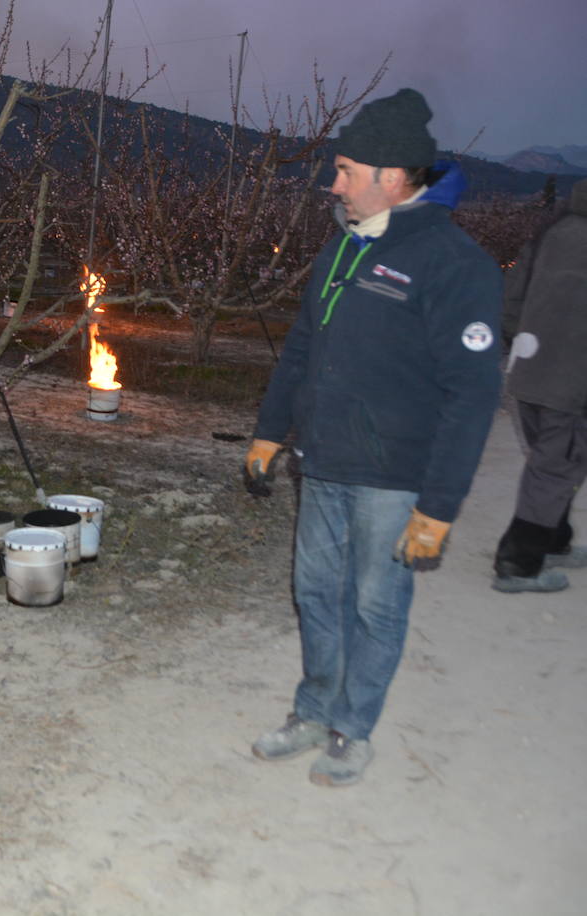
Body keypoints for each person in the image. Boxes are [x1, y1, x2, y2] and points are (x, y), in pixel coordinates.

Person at [242, 89, 503, 787]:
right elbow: (301, 347)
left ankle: (352, 730)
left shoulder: (454, 263)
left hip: (394, 479)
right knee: (315, 593)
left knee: (374, 604)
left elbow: (474, 394)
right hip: (322, 463)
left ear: (393, 176)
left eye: (347, 171)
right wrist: (270, 433)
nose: (334, 183)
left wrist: (438, 506)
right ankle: (313, 707)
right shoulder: (342, 246)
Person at [491, 179, 587, 592]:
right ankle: (519, 561)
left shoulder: (552, 229)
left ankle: (554, 539)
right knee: (556, 464)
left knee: (556, 459)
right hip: (572, 378)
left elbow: (513, 294)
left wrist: (519, 341)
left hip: (529, 370)